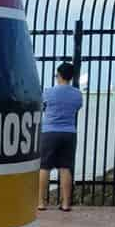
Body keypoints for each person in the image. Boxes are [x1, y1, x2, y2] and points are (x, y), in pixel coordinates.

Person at [38, 62, 83, 211]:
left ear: (59, 75)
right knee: (65, 168)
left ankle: (41, 203)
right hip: (69, 133)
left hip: (49, 132)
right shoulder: (77, 94)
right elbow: (76, 108)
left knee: (44, 167)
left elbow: (42, 107)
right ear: (71, 77)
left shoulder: (48, 92)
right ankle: (65, 204)